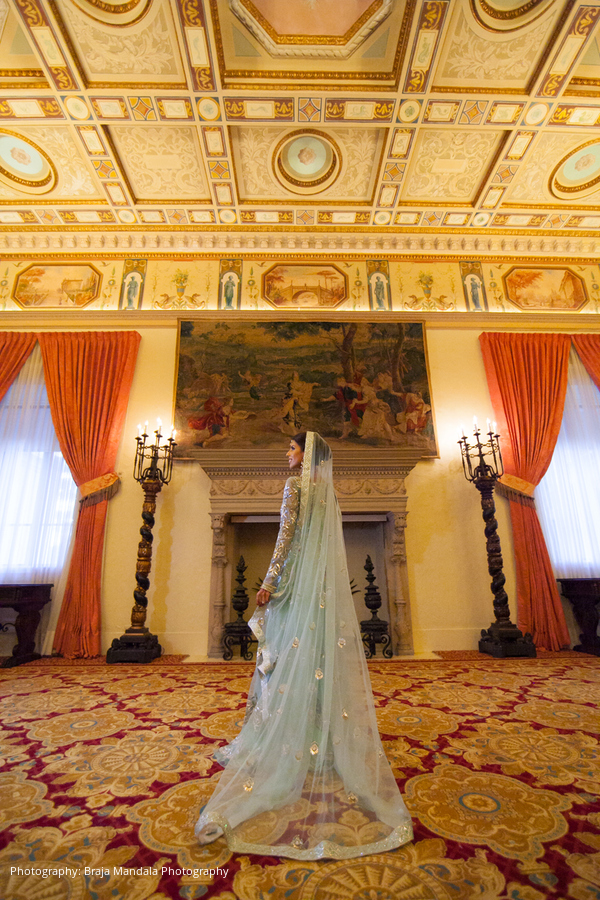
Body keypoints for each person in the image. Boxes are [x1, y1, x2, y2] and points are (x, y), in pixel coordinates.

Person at [195, 432, 413, 859]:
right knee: (316, 655)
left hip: (295, 582)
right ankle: (320, 736)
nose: (287, 454)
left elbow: (285, 537)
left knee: (284, 656)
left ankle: (284, 735)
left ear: (306, 454)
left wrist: (269, 582)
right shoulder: (328, 491)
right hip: (322, 589)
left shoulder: (294, 486)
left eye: (292, 449)